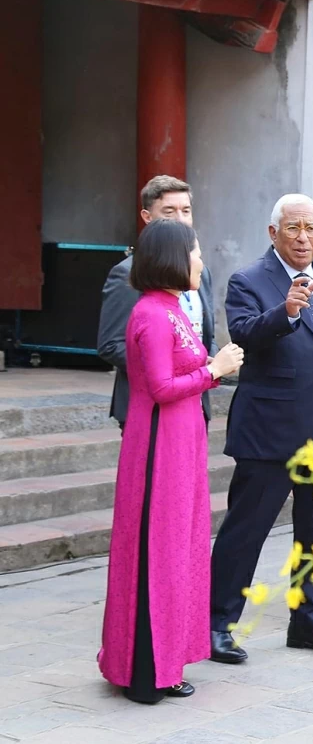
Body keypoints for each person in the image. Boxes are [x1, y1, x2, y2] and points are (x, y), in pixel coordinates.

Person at [98, 220, 245, 704]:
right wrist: (214, 369)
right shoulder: (152, 313)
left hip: (181, 444)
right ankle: (147, 669)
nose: (201, 261)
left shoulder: (171, 308)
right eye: (195, 252)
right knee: (158, 551)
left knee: (179, 548)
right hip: (159, 447)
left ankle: (167, 659)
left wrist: (210, 369)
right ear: (172, 258)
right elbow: (161, 388)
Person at [209, 194, 313, 660]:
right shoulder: (249, 279)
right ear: (273, 233)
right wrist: (287, 312)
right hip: (269, 431)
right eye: (293, 228)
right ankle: (216, 624)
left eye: (311, 228)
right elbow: (243, 334)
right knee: (246, 532)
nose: (303, 237)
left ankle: (308, 620)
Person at [98, 176, 218, 430]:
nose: (180, 220)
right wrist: (174, 368)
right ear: (147, 217)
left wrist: (211, 360)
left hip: (196, 400)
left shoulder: (200, 271)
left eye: (186, 211)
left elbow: (206, 334)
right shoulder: (129, 274)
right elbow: (111, 344)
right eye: (169, 212)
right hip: (149, 408)